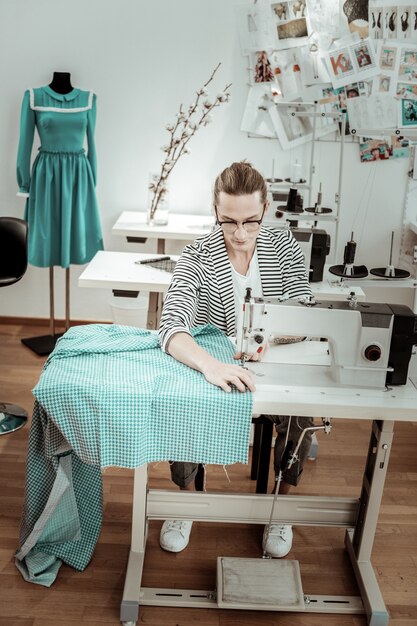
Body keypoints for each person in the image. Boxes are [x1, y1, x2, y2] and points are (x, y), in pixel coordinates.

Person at [157, 161, 314, 558]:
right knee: (184, 400)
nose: (240, 234)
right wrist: (211, 365)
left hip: (275, 362)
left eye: (251, 221)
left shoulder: (286, 248)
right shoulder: (197, 254)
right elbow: (172, 325)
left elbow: (304, 310)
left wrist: (270, 345)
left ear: (266, 209)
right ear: (215, 211)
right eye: (228, 222)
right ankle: (188, 499)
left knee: (303, 410)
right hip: (217, 365)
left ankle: (281, 503)